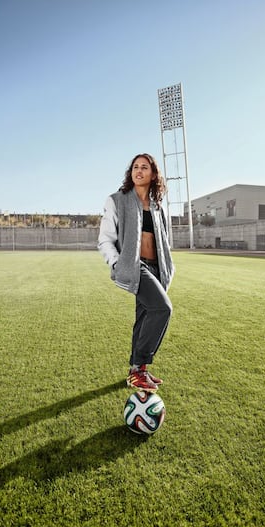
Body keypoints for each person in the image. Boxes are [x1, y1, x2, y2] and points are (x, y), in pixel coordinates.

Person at [98, 153, 174, 392]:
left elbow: (163, 241)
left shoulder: (157, 206)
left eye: (144, 167)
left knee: (144, 317)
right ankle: (141, 365)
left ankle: (135, 372)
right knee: (163, 308)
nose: (138, 171)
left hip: (156, 268)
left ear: (153, 174)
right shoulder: (116, 200)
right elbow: (105, 239)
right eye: (135, 167)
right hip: (134, 266)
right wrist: (116, 263)